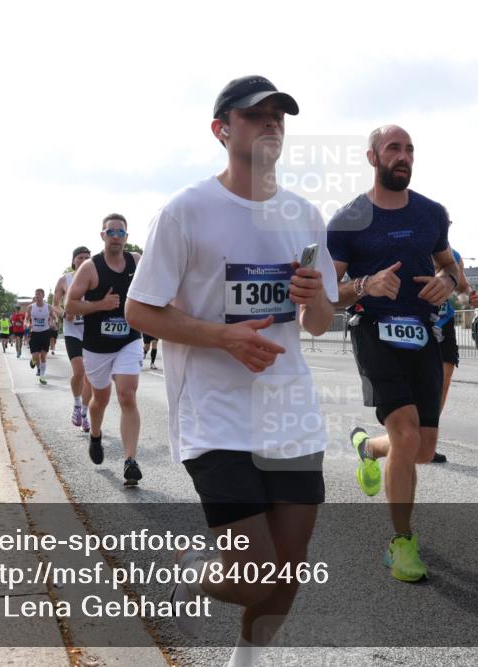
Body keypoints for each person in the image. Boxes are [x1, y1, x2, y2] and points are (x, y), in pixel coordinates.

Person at [125, 75, 337, 660]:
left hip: (290, 416)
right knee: (255, 575)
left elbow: (318, 322)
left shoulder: (303, 214)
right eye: (256, 113)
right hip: (216, 419)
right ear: (222, 130)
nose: (272, 122)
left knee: (285, 580)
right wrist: (223, 337)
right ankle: (189, 570)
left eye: (279, 114)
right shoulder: (187, 211)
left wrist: (315, 296)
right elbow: (138, 308)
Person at [328, 124, 459, 583]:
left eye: (408, 149)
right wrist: (365, 284)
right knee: (405, 435)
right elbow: (331, 293)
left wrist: (450, 283)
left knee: (422, 449)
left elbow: (450, 266)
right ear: (372, 157)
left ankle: (367, 448)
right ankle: (401, 543)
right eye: (392, 148)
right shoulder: (348, 220)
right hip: (374, 332)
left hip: (423, 332)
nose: (402, 156)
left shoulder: (430, 214)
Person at [66, 215, 143, 481]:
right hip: (97, 346)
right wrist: (101, 305)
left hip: (129, 339)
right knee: (100, 400)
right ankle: (95, 436)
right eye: (111, 231)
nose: (116, 236)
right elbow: (70, 307)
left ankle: (130, 460)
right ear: (102, 235)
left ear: (126, 237)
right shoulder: (90, 268)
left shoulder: (136, 262)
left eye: (121, 232)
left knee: (127, 394)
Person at [429, 249, 478, 463]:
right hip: (417, 322)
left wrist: (470, 297)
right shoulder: (413, 245)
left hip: (444, 321)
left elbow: (461, 289)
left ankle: (428, 439)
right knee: (419, 383)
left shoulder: (454, 257)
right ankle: (410, 433)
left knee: (443, 380)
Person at [54, 246, 94, 433]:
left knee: (90, 377)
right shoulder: (64, 280)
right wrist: (64, 313)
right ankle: (77, 405)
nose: (84, 259)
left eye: (87, 257)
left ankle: (85, 415)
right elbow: (54, 305)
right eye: (80, 257)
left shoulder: (95, 277)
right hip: (72, 332)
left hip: (92, 331)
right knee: (79, 372)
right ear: (73, 261)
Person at [27, 289, 55, 384]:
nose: (37, 296)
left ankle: (42, 376)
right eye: (36, 294)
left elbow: (54, 317)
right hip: (34, 334)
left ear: (43, 296)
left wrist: (52, 323)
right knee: (35, 356)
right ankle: (33, 360)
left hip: (45, 333)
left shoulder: (49, 307)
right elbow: (26, 319)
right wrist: (27, 324)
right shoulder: (30, 307)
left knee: (43, 356)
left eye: (39, 294)